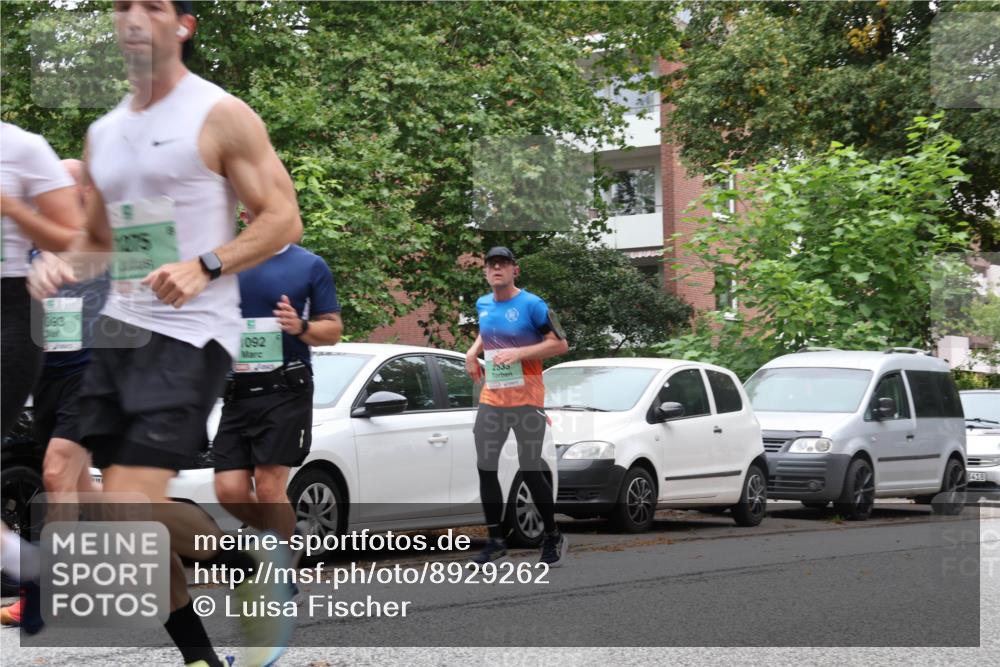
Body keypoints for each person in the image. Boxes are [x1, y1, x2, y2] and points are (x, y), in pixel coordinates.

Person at [31, 2, 302, 665]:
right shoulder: (104, 132)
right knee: (94, 500)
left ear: (183, 25)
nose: (133, 17)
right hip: (121, 334)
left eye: (151, 6)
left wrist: (207, 264)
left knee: (125, 503)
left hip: (190, 338)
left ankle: (248, 559)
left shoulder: (220, 114)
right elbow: (99, 238)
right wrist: (66, 261)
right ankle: (203, 653)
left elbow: (282, 217)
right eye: (121, 6)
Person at [1, 159, 106, 629]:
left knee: (56, 475)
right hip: (43, 377)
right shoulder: (25, 246)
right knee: (86, 492)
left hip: (90, 375)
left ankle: (46, 595)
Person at [213, 241, 342, 542]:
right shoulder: (227, 260)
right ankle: (286, 534)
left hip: (284, 389)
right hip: (238, 390)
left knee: (269, 487)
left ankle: (278, 571)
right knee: (228, 490)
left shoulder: (309, 264)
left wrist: (299, 326)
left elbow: (333, 331)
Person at [464, 246, 570, 566]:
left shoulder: (532, 305)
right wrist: (472, 352)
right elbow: (487, 333)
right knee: (486, 466)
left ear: (515, 270)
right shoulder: (483, 304)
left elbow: (561, 343)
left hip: (527, 398)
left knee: (530, 468)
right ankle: (496, 539)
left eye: (503, 264)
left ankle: (552, 535)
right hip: (493, 396)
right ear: (485, 271)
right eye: (492, 264)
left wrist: (520, 354)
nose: (497, 269)